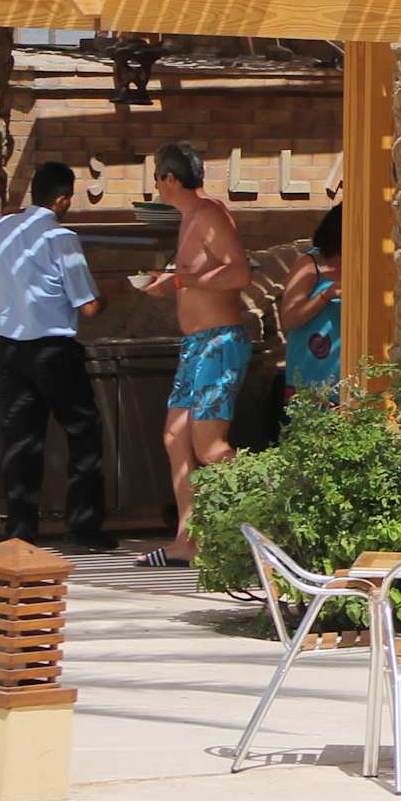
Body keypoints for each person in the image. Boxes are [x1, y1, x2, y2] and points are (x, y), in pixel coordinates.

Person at [0, 161, 112, 551]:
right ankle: (83, 528)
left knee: (21, 441)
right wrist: (108, 296)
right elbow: (88, 306)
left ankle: (20, 531)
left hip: (11, 350)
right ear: (61, 199)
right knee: (84, 432)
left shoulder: (2, 227)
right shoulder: (61, 238)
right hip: (54, 350)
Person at [137, 142, 251, 567]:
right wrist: (170, 280)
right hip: (196, 345)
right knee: (175, 438)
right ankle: (187, 540)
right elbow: (195, 274)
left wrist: (181, 281)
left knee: (209, 447)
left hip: (219, 343)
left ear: (170, 179)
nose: (155, 185)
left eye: (157, 177)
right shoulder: (189, 218)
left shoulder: (209, 214)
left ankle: (271, 518)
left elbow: (238, 271)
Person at [279, 205, 343, 396]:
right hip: (311, 377)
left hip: (349, 375)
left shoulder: (365, 264)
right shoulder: (309, 264)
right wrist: (326, 295)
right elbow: (289, 319)